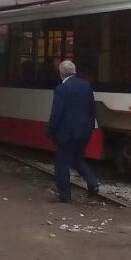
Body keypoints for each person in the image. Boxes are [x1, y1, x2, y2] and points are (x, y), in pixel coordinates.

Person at [46, 60, 99, 204]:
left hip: (67, 133)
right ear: (74, 71)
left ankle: (65, 196)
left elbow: (56, 113)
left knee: (61, 164)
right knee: (77, 159)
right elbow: (92, 109)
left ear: (61, 73)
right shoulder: (86, 85)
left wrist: (50, 130)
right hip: (84, 131)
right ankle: (93, 183)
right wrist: (91, 127)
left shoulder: (61, 89)